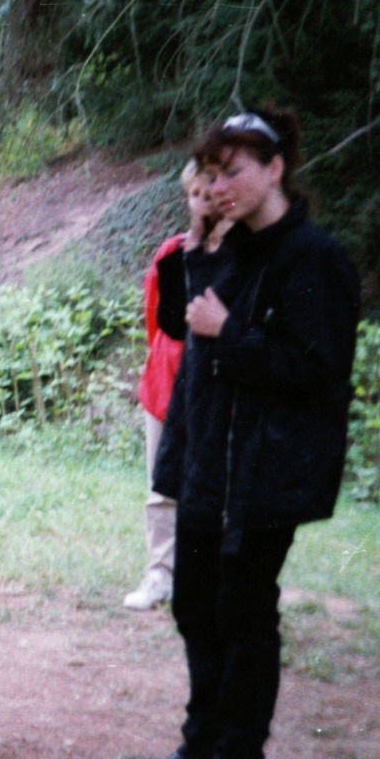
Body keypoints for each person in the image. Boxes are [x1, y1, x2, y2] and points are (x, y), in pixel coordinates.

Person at [131, 108, 359, 759]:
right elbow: (176, 322)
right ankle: (199, 748)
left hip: (266, 473)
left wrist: (228, 333)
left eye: (234, 171)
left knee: (242, 611)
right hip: (207, 463)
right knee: (194, 604)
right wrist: (196, 244)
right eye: (211, 172)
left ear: (274, 168)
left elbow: (316, 369)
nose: (221, 184)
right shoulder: (227, 249)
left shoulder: (312, 258)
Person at [123, 160, 230, 610]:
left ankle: (212, 580)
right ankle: (160, 575)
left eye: (212, 195)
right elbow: (156, 322)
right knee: (161, 489)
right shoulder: (170, 254)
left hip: (221, 394)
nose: (203, 203)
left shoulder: (244, 259)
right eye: (195, 195)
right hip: (165, 389)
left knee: (216, 489)